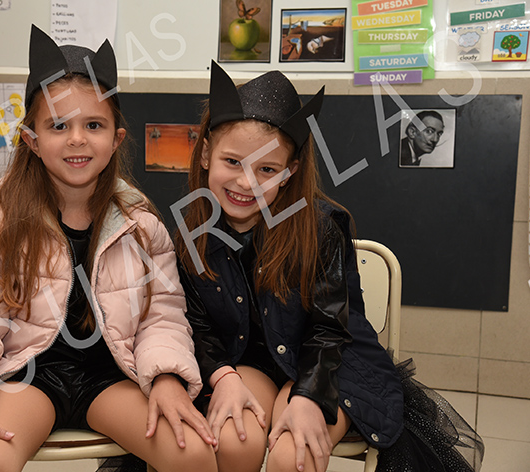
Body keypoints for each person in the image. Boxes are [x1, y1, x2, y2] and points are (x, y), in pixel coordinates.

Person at [0, 25, 218, 472]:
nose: (77, 139)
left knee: (193, 453)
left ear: (116, 139)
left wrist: (165, 376)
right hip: (29, 375)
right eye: (58, 125)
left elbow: (162, 315)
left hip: (111, 375)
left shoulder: (143, 226)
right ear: (31, 140)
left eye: (93, 125)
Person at [174, 62, 483, 472]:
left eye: (267, 169)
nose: (246, 183)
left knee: (294, 456)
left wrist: (307, 396)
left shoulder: (320, 228)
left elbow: (330, 328)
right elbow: (198, 328)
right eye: (233, 162)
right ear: (206, 153)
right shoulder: (192, 236)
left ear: (289, 172)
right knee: (233, 443)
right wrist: (224, 377)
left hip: (329, 363)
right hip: (249, 364)